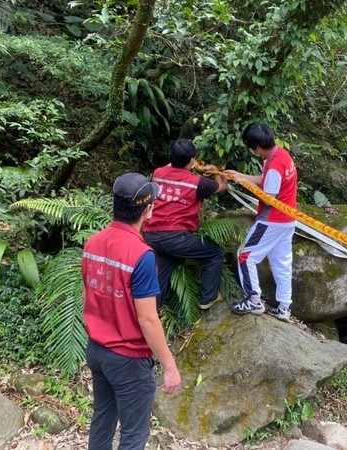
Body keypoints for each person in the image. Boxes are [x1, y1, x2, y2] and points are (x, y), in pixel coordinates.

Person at [82, 172, 181, 450]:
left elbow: (86, 296)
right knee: (134, 435)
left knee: (102, 417)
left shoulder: (92, 243)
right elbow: (148, 319)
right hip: (128, 359)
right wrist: (170, 367)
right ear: (148, 210)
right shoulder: (142, 255)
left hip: (97, 351)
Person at [224, 122, 298, 321]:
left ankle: (254, 300)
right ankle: (284, 307)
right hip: (288, 219)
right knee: (281, 262)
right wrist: (240, 176)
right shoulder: (280, 154)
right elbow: (265, 179)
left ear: (256, 147)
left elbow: (268, 197)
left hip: (272, 219)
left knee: (245, 256)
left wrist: (245, 183)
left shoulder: (274, 164)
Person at [143, 138, 227, 310]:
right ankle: (208, 298)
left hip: (150, 235)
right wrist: (215, 171)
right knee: (214, 252)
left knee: (164, 266)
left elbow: (171, 167)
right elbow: (221, 187)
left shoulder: (158, 173)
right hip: (176, 237)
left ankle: (151, 312)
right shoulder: (197, 183)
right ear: (192, 160)